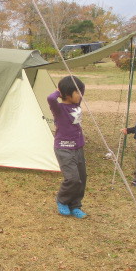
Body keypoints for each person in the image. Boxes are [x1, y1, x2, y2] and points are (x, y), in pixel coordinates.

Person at [47, 75, 88, 218]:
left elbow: (81, 90)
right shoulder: (59, 109)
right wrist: (59, 90)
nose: (81, 94)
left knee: (81, 179)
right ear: (67, 94)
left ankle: (75, 205)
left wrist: (78, 88)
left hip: (78, 147)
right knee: (72, 179)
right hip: (64, 148)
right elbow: (51, 98)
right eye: (77, 92)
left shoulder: (76, 104)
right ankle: (62, 200)